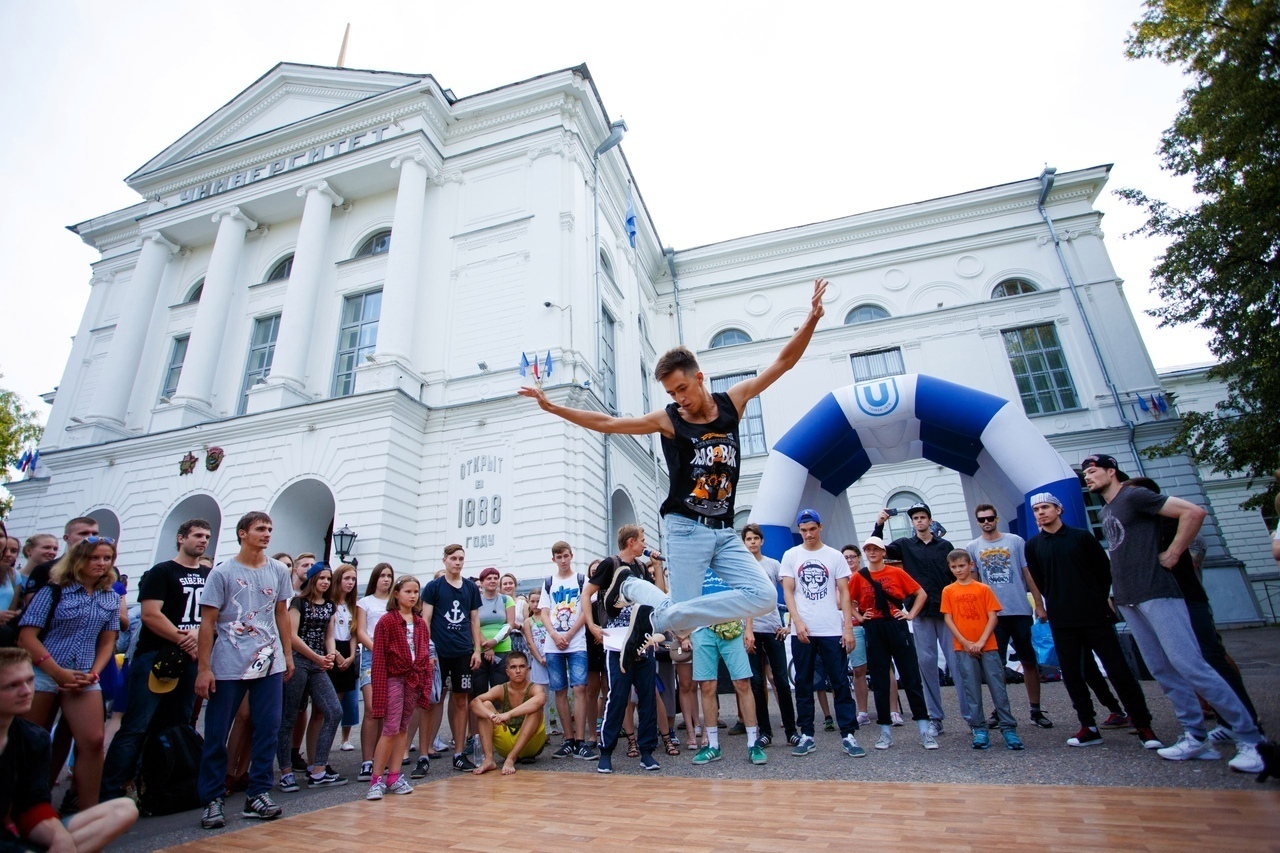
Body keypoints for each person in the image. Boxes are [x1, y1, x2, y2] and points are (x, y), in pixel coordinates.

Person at [522, 280, 830, 667]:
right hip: (685, 526)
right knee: (682, 622)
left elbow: (782, 363)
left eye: (682, 388)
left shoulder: (732, 402)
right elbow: (610, 423)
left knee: (765, 598)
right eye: (671, 393)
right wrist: (555, 408)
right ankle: (646, 600)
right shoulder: (669, 421)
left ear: (699, 377)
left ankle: (637, 595)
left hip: (724, 531)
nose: (679, 398)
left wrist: (812, 319)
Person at [1083, 453, 1263, 772]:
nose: (1088, 476)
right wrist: (1115, 592)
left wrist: (1174, 551)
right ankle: (1196, 738)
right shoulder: (1109, 508)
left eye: (1093, 471)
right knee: (1163, 670)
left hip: (1158, 591)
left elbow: (1194, 512)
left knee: (1191, 665)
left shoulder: (1134, 494)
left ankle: (1252, 740)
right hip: (1130, 597)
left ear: (1112, 472)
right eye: (1085, 473)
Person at [1023, 493, 1161, 751]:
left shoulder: (1081, 537)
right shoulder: (1033, 545)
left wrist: (1095, 599)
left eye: (1045, 507)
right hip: (1062, 620)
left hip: (1093, 615)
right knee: (1074, 675)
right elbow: (1040, 580)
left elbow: (1102, 571)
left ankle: (1143, 725)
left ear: (1059, 509)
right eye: (1036, 509)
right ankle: (1088, 725)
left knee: (1118, 670)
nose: (1041, 513)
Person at [1125, 477, 1260, 731]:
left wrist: (1172, 552)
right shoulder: (1139, 525)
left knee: (1210, 656)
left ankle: (1245, 721)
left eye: (1130, 497)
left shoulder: (1171, 519)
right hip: (1158, 599)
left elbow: (1194, 539)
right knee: (1181, 660)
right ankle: (1213, 717)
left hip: (1188, 597)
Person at [194, 511, 293, 829]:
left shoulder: (278, 570)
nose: (267, 534)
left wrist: (287, 656)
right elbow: (207, 623)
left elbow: (281, 614)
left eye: (270, 529)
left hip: (269, 662)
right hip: (228, 664)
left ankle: (258, 794)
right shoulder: (222, 572)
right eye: (260, 529)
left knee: (268, 728)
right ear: (242, 533)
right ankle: (212, 798)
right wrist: (204, 669)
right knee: (217, 734)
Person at [100, 519, 211, 801]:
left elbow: (211, 615)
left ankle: (160, 786)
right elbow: (150, 614)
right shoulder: (161, 572)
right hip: (155, 656)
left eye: (207, 537)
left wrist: (196, 635)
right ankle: (112, 790)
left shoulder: (208, 576)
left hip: (191, 658)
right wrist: (182, 637)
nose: (203, 541)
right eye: (197, 535)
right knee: (138, 725)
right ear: (180, 538)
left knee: (176, 724)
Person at [17, 535, 121, 810]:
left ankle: (88, 812)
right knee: (31, 742)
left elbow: (107, 640)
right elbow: (27, 636)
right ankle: (21, 807)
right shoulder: (54, 591)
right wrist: (56, 672)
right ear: (79, 560)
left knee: (93, 741)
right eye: (94, 557)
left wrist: (94, 673)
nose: (101, 563)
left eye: (106, 558)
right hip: (44, 671)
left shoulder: (110, 596)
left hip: (85, 674)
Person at [0, 648, 137, 852]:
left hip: (15, 833)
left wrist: (59, 836)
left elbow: (32, 804)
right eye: (13, 685)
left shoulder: (33, 738)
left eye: (29, 680)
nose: (27, 691)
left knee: (123, 810)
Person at [870, 502, 967, 735]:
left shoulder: (945, 546)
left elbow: (955, 576)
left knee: (958, 665)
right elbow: (877, 550)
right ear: (912, 523)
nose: (920, 521)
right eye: (915, 518)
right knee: (926, 665)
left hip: (946, 612)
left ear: (930, 521)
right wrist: (879, 525)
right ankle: (935, 718)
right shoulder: (905, 545)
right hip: (921, 613)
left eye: (923, 517)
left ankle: (971, 718)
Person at [779, 509, 862, 758]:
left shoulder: (834, 555)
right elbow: (788, 591)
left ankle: (848, 734)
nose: (808, 534)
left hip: (830, 628)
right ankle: (807, 734)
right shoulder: (791, 555)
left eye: (812, 529)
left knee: (839, 681)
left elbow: (845, 593)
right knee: (803, 683)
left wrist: (847, 628)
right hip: (803, 630)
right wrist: (797, 621)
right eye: (803, 530)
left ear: (820, 527)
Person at [965, 504, 1052, 730]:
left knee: (1029, 661)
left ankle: (1035, 709)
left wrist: (1039, 604)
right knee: (995, 666)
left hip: (1019, 609)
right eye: (982, 519)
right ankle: (1000, 710)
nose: (986, 522)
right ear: (977, 521)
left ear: (996, 519)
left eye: (990, 518)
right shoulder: (973, 546)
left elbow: (1027, 573)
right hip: (993, 615)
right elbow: (974, 583)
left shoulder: (1015, 541)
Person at [585, 526, 664, 773]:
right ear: (631, 542)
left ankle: (647, 752)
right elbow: (587, 593)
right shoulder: (611, 563)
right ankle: (606, 751)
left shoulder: (641, 568)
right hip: (617, 640)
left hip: (642, 639)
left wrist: (657, 567)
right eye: (642, 540)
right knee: (618, 695)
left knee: (647, 696)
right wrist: (592, 625)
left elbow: (658, 596)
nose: (644, 544)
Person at [848, 536, 932, 750]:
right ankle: (885, 731)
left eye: (876, 549)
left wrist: (911, 614)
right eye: (868, 549)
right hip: (874, 627)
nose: (872, 553)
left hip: (896, 624)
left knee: (911, 676)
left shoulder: (896, 572)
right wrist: (860, 616)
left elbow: (920, 593)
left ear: (883, 552)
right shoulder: (859, 577)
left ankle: (924, 729)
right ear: (865, 553)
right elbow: (844, 601)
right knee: (879, 679)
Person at [940, 550, 1023, 750]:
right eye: (954, 567)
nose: (958, 570)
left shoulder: (983, 589)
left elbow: (993, 616)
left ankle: (1008, 729)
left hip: (989, 645)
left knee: (998, 688)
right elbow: (948, 618)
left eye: (962, 565)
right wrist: (965, 642)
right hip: (963, 647)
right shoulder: (948, 591)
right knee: (972, 689)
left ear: (970, 565)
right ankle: (979, 729)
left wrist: (982, 640)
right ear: (950, 568)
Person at [276, 563, 346, 793]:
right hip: (298, 661)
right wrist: (317, 657)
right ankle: (286, 772)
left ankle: (318, 769)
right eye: (322, 578)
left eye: (328, 578)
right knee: (289, 717)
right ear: (313, 579)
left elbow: (329, 635)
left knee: (334, 711)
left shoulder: (329, 606)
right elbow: (291, 635)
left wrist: (331, 654)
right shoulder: (298, 602)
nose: (325, 582)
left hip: (318, 664)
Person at [689, 568, 766, 767]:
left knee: (742, 683)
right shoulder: (694, 556)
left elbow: (747, 590)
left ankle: (752, 743)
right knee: (706, 686)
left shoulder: (727, 553)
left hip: (731, 624)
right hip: (701, 627)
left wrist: (749, 627)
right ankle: (713, 745)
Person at [366, 575, 432, 799]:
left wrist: (424, 679)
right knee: (390, 727)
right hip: (394, 676)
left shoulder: (420, 623)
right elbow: (379, 657)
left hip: (413, 677)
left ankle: (394, 776)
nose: (412, 596)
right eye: (407, 592)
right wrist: (379, 686)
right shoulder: (387, 621)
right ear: (396, 594)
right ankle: (376, 779)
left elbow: (423, 652)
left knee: (403, 727)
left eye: (416, 592)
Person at [421, 545, 482, 772]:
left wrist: (476, 649)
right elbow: (426, 619)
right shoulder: (433, 587)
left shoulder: (470, 588)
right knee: (432, 701)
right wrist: (427, 650)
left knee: (460, 701)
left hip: (463, 652)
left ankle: (458, 754)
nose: (457, 562)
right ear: (444, 560)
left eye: (461, 559)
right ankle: (424, 753)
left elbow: (474, 620)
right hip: (438, 652)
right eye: (453, 558)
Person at [742, 524, 796, 748]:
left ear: (762, 541)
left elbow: (791, 592)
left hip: (773, 628)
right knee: (756, 683)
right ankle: (765, 731)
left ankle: (791, 730)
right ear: (744, 543)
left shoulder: (773, 564)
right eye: (748, 539)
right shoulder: (741, 567)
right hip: (752, 631)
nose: (753, 542)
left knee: (781, 681)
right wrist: (747, 629)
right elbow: (744, 599)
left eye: (756, 538)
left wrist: (790, 623)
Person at [538, 542, 591, 760]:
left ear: (571, 556)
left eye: (566, 556)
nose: (563, 560)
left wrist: (569, 635)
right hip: (554, 644)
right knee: (559, 690)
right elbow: (544, 612)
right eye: (559, 557)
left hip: (576, 642)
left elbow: (586, 610)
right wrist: (554, 634)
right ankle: (568, 739)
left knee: (579, 688)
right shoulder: (549, 582)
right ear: (554, 559)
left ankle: (580, 739)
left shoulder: (581, 580)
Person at [469, 651, 547, 775]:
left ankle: (511, 758)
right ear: (507, 672)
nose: (518, 671)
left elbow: (541, 699)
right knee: (485, 706)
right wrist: (491, 715)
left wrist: (508, 714)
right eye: (513, 667)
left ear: (527, 670)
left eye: (521, 667)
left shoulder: (534, 688)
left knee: (535, 709)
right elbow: (474, 702)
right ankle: (489, 759)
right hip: (507, 742)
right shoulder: (501, 689)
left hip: (531, 744)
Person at [356, 562, 394, 781]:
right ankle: (367, 760)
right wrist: (378, 650)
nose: (386, 579)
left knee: (388, 709)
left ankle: (382, 758)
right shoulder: (365, 603)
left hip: (393, 658)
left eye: (389, 576)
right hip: (372, 656)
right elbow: (361, 632)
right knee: (372, 708)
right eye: (382, 576)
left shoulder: (394, 604)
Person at [23, 518, 99, 606]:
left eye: (95, 534)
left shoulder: (106, 570)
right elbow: (33, 608)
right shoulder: (45, 569)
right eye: (83, 533)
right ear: (67, 538)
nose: (90, 537)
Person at [328, 564, 361, 752]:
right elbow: (329, 633)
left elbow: (354, 633)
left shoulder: (353, 606)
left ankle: (341, 738)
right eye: (347, 578)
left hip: (348, 650)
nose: (350, 583)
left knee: (341, 701)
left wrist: (350, 656)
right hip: (332, 649)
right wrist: (337, 655)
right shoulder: (329, 603)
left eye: (353, 579)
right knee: (328, 703)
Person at [473, 567, 517, 699]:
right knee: (479, 693)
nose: (493, 581)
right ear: (481, 582)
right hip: (479, 650)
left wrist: (495, 641)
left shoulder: (506, 600)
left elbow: (510, 624)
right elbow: (473, 624)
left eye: (495, 578)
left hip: (502, 649)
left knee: (501, 693)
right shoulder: (474, 600)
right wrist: (486, 646)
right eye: (489, 578)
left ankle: (500, 719)